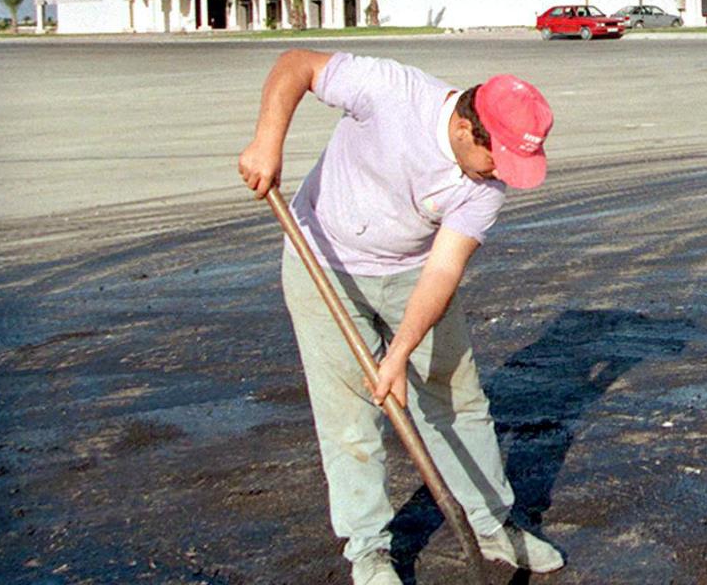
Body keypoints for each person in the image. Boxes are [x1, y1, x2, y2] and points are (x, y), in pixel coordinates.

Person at [238, 49, 566, 585]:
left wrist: (399, 353)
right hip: (322, 258)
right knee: (349, 415)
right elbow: (295, 64)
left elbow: (442, 270)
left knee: (456, 398)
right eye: (498, 158)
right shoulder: (391, 90)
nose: (501, 173)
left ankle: (491, 525)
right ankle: (368, 550)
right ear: (465, 127)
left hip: (413, 272)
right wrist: (267, 142)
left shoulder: (486, 185)